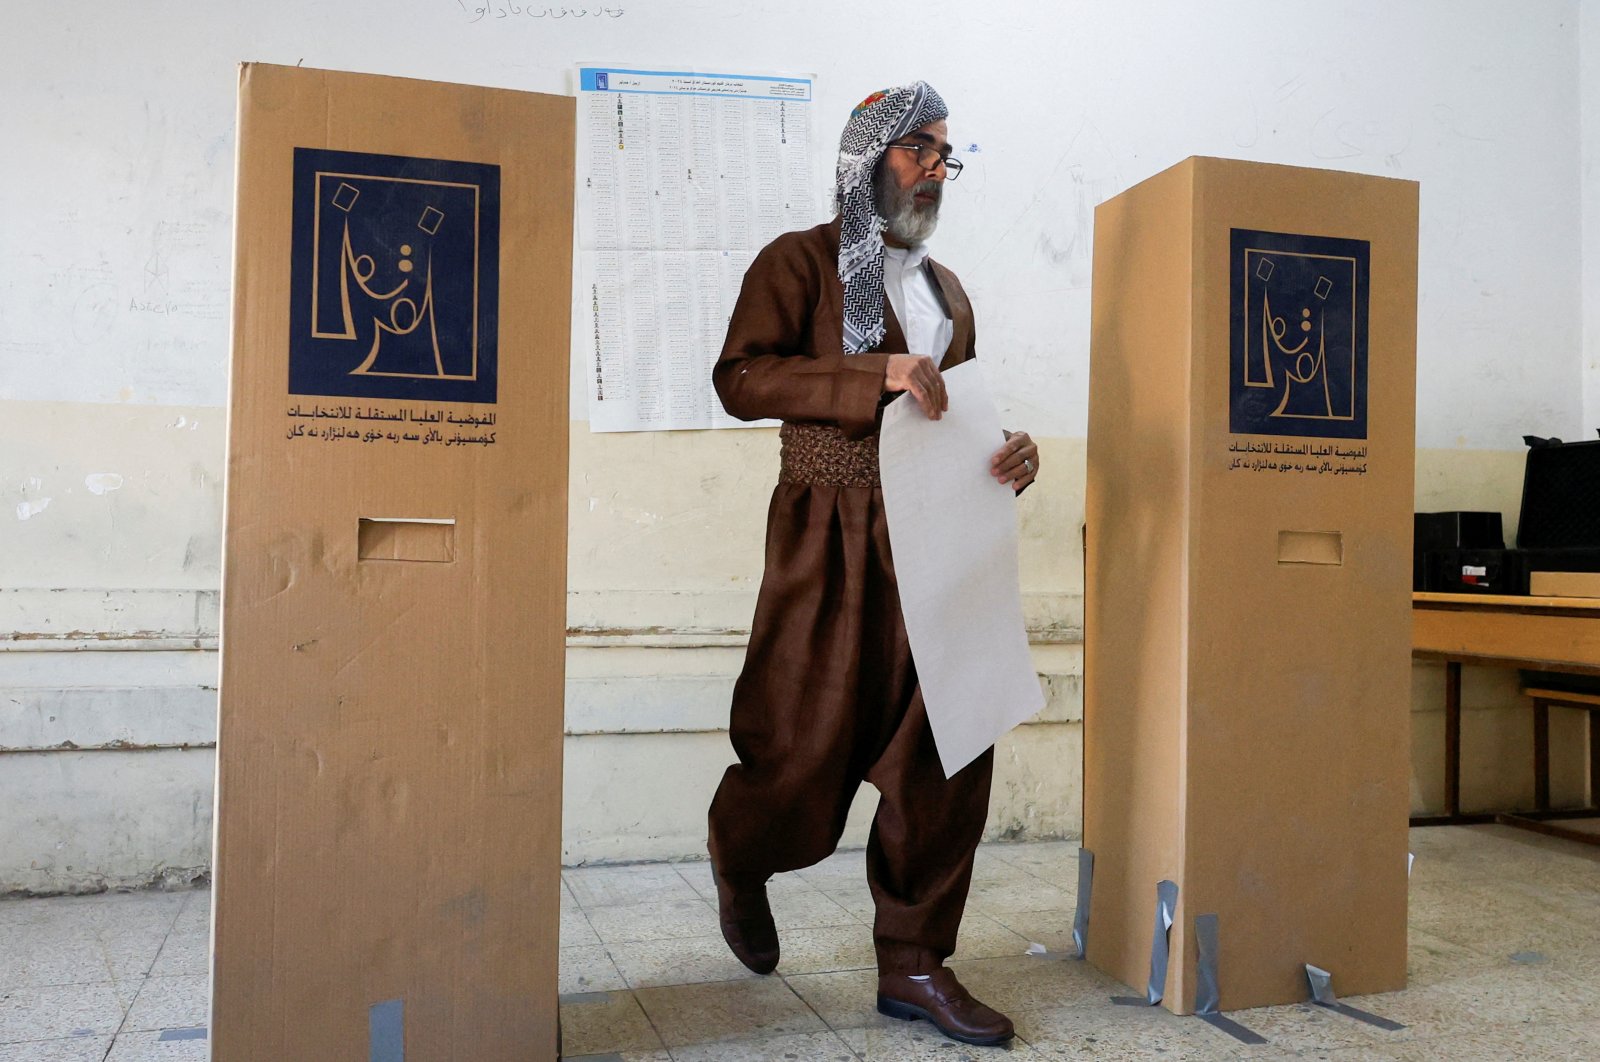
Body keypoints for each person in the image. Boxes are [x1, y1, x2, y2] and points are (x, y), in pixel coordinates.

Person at [704, 82, 1039, 1048]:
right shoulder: (797, 263)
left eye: (945, 154)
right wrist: (872, 374)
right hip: (830, 537)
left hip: (942, 543)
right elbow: (740, 378)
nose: (936, 171)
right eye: (917, 150)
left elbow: (956, 416)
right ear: (866, 158)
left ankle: (915, 964)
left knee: (948, 753)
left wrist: (1010, 456)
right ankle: (741, 851)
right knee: (799, 747)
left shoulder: (947, 293)